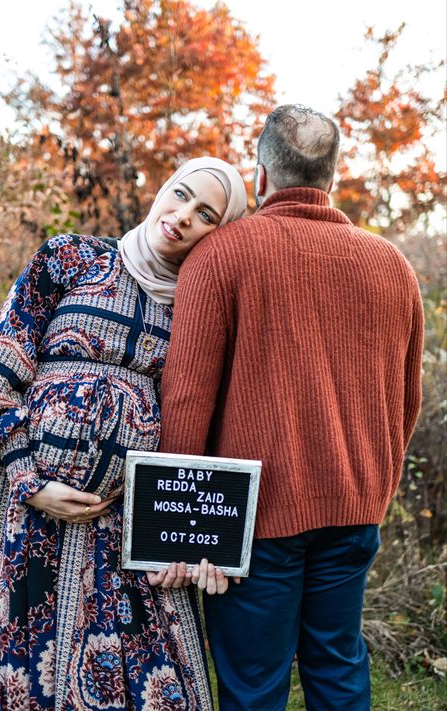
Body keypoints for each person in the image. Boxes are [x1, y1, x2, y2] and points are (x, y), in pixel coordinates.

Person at [159, 106, 424, 710]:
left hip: (251, 520)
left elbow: (187, 397)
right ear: (332, 176)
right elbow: (406, 401)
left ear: (259, 177)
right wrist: (372, 490)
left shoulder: (222, 255)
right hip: (355, 506)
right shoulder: (393, 267)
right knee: (337, 668)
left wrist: (177, 525)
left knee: (253, 687)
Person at [0, 157, 247, 710]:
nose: (182, 216)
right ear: (163, 188)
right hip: (26, 512)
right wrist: (30, 481)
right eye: (180, 195)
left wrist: (181, 536)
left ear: (221, 232)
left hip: (127, 525)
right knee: (19, 677)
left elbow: (204, 423)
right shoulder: (69, 258)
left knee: (152, 685)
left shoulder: (201, 306)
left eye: (205, 214)